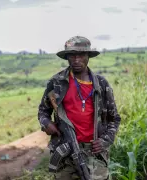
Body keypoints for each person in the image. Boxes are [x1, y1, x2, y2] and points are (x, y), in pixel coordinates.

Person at [38, 36, 121, 180]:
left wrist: (105, 140)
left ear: (88, 56)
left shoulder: (101, 84)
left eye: (81, 55)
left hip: (94, 152)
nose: (77, 60)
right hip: (65, 151)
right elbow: (43, 111)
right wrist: (46, 123)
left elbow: (114, 118)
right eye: (72, 55)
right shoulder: (56, 83)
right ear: (67, 57)